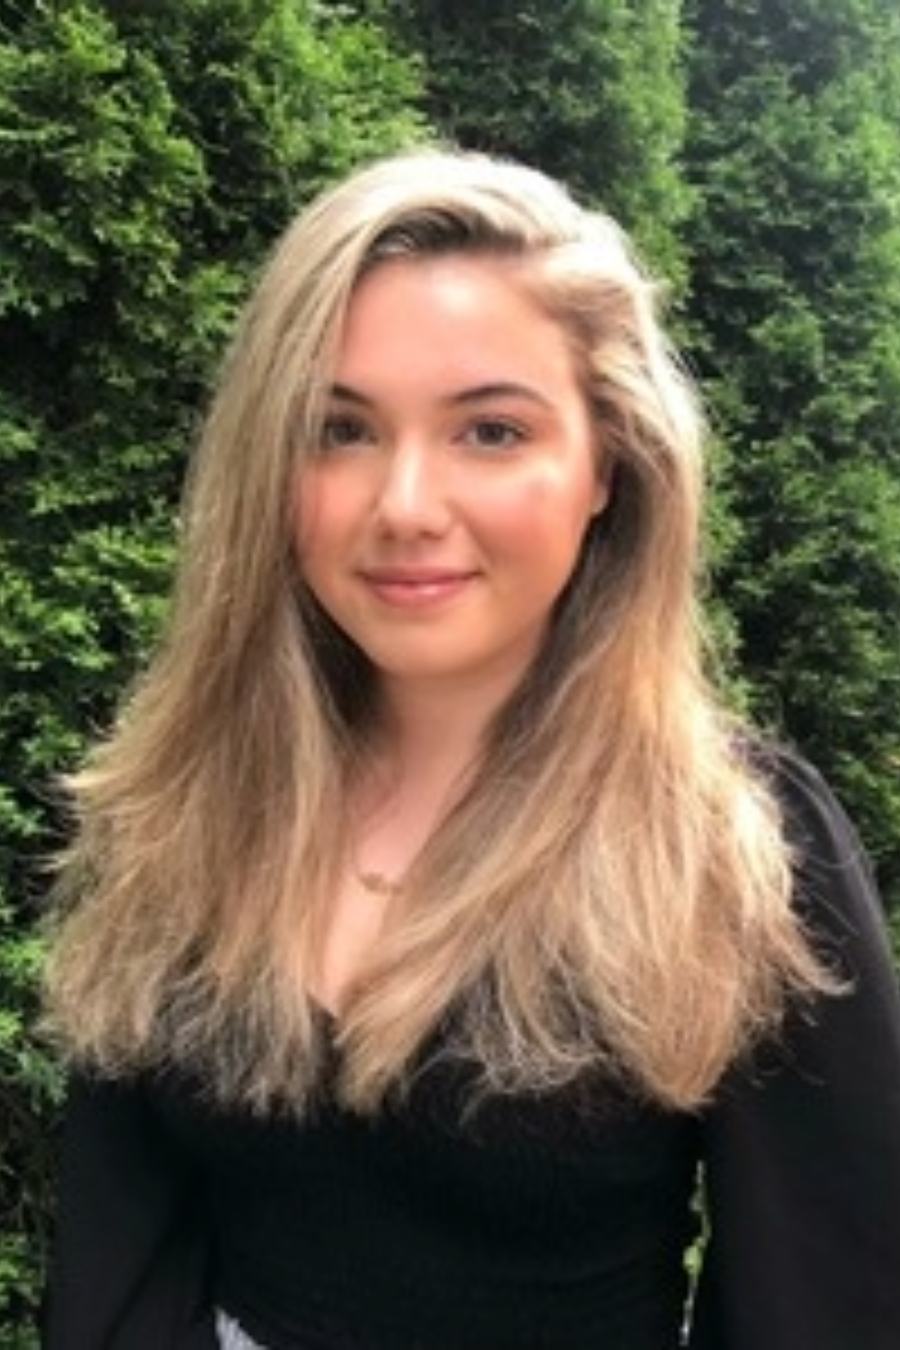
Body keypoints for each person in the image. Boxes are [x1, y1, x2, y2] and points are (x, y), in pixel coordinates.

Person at [42, 148, 900, 1350]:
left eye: (490, 431)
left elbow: (827, 1303)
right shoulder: (186, 801)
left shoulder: (737, 850)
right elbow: (118, 1255)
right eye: (339, 430)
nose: (403, 503)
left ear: (607, 463)